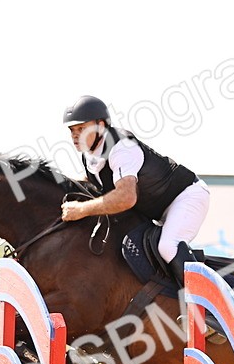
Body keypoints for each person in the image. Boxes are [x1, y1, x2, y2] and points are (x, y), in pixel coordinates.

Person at [59, 95, 210, 285]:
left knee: (167, 246)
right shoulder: (90, 157)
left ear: (101, 125)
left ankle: (204, 304)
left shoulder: (122, 147)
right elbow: (90, 186)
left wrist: (81, 210)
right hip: (159, 210)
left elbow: (126, 197)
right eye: (72, 130)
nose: (74, 135)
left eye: (81, 128)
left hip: (187, 196)